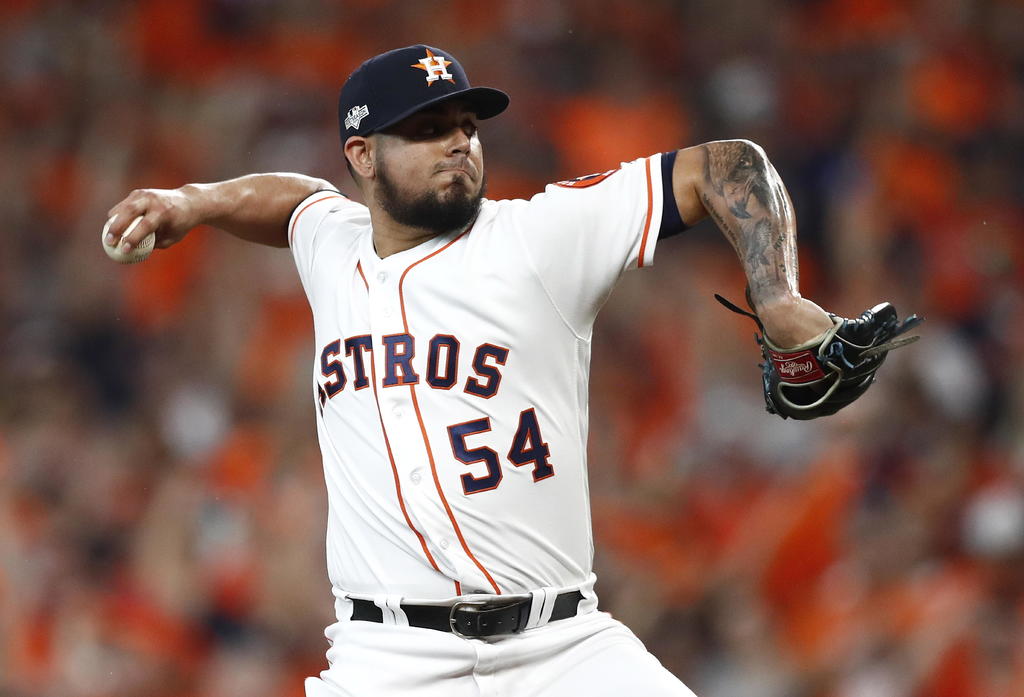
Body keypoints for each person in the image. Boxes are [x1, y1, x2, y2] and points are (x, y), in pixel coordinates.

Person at [105, 44, 834, 697]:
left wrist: (777, 293)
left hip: (562, 646)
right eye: (428, 129)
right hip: (388, 658)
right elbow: (297, 201)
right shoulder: (333, 245)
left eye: (466, 125)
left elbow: (726, 164)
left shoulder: (537, 238)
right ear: (362, 155)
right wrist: (192, 201)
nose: (458, 142)